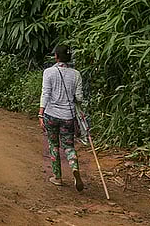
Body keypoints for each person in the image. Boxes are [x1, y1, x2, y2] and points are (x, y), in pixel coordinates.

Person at [40, 44, 85, 191]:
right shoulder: (76, 74)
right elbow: (79, 98)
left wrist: (41, 113)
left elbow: (45, 93)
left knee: (54, 145)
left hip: (51, 115)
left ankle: (57, 177)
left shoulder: (49, 72)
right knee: (69, 146)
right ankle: (74, 169)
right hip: (68, 116)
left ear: (56, 56)